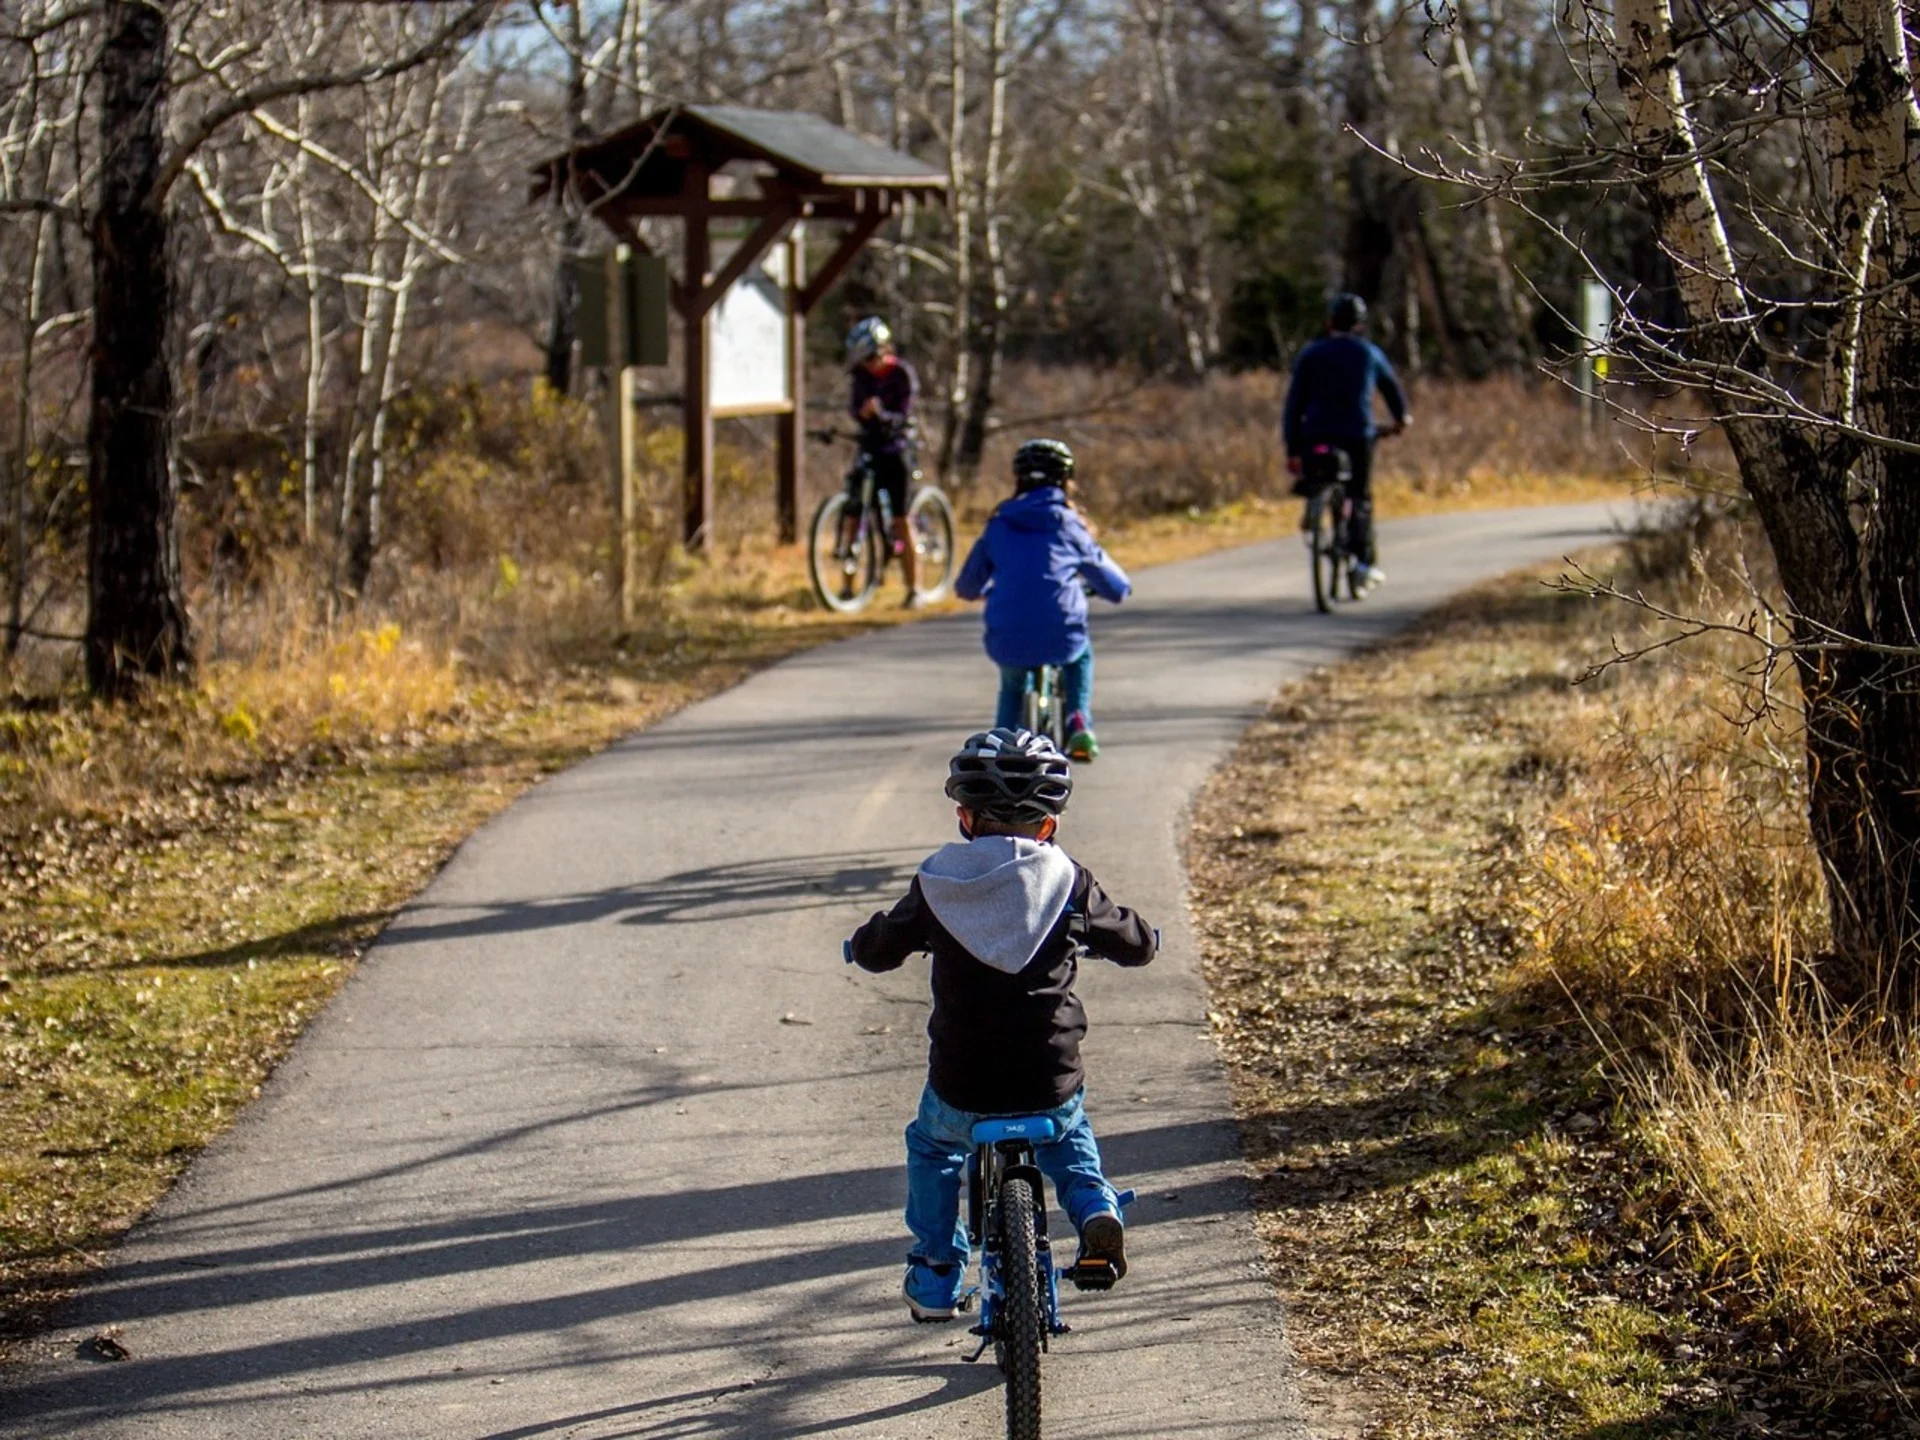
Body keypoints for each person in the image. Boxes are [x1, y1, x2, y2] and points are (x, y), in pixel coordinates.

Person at [846, 727, 1159, 1322]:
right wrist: (1146, 940)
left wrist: (864, 946)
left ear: (964, 818)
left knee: (933, 1145)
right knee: (1067, 1134)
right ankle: (1094, 1207)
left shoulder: (939, 881)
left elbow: (883, 945)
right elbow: (1132, 942)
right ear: (1049, 826)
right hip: (1048, 1075)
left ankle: (937, 1272)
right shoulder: (1070, 882)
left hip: (963, 1084)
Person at [953, 439, 1130, 762]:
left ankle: (1001, 743)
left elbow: (966, 585)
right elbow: (1116, 587)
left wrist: (984, 591)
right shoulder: (1070, 525)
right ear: (1066, 480)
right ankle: (1078, 721)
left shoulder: (998, 524)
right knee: (1080, 656)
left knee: (1012, 685)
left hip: (1008, 631)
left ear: (1018, 479)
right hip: (1061, 630)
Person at [1281, 293, 1412, 593]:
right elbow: (1392, 390)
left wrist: (1292, 446)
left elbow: (1293, 404)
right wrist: (1401, 419)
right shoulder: (1368, 353)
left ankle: (1315, 508)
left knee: (1319, 479)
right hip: (1358, 435)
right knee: (1360, 496)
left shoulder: (1311, 354)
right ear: (1360, 324)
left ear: (1329, 322)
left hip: (1315, 435)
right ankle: (1364, 563)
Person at [845, 316, 922, 603]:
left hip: (895, 449)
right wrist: (862, 413)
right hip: (869, 447)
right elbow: (853, 407)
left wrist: (884, 416)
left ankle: (914, 589)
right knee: (854, 512)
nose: (867, 364)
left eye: (869, 357)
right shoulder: (860, 376)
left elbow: (904, 413)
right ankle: (847, 587)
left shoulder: (901, 374)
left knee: (902, 518)